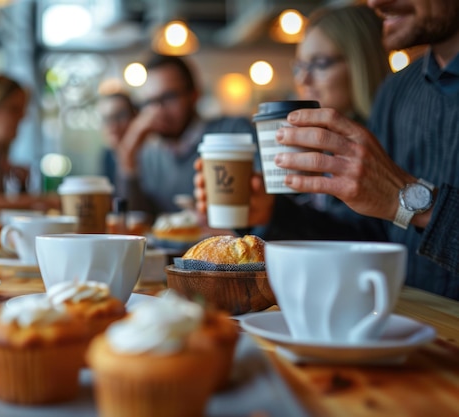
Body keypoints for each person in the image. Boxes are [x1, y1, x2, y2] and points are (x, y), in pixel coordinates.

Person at [196, 0, 459, 299]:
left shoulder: (379, 111)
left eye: (320, 64)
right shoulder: (399, 91)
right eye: (300, 66)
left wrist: (411, 199)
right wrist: (270, 212)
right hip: (407, 320)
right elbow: (369, 239)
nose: (375, 2)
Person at [116, 54, 254, 217]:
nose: (158, 111)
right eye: (150, 102)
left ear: (195, 95)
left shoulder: (233, 130)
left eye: (168, 97)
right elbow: (137, 222)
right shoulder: (149, 155)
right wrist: (128, 154)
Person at [96, 91, 137, 188]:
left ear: (135, 117)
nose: (113, 125)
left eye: (120, 116)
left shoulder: (151, 156)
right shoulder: (108, 155)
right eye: (106, 119)